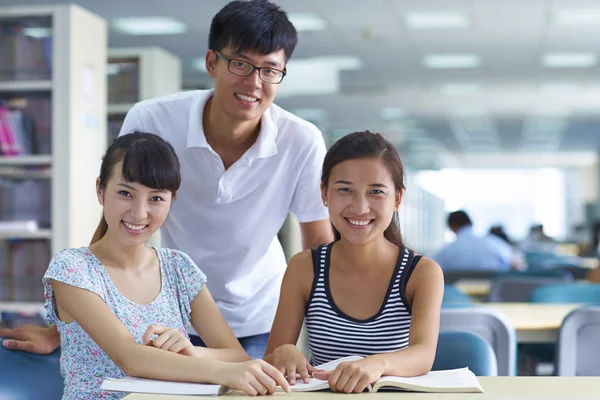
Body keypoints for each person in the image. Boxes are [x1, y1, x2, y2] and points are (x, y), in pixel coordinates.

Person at [0, 0, 332, 359]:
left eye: (270, 70)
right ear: (211, 62)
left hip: (259, 316)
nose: (254, 82)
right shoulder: (154, 119)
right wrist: (63, 329)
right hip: (165, 317)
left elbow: (317, 249)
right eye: (240, 64)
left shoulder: (301, 140)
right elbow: (120, 222)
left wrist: (307, 341)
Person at [40, 132, 289, 399]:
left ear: (172, 199)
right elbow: (130, 358)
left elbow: (236, 355)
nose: (139, 212)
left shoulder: (177, 268)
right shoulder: (73, 269)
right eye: (125, 193)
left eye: (156, 198)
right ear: (100, 190)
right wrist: (218, 372)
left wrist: (192, 351)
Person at [262, 131, 444, 393]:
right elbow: (271, 358)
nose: (360, 207)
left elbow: (423, 355)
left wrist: (375, 365)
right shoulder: (304, 268)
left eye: (376, 192)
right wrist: (285, 353)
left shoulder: (422, 273)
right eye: (345, 190)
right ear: (324, 193)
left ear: (397, 199)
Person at [433, 211, 511, 271]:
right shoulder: (495, 244)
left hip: (456, 291)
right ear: (471, 223)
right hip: (493, 291)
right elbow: (509, 265)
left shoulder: (446, 251)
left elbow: (434, 270)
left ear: (452, 226)